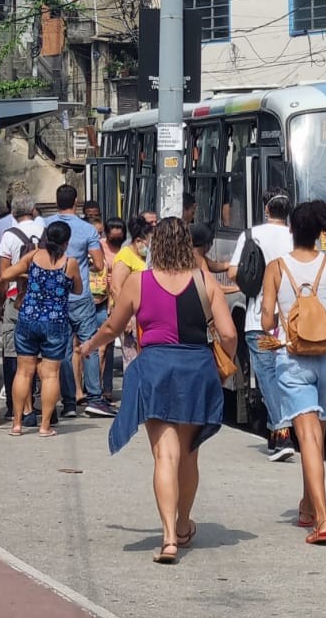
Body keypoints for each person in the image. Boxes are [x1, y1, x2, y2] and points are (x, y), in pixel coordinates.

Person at [82, 216, 235, 564]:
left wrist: (88, 346)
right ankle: (183, 526)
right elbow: (227, 334)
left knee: (165, 457)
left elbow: (112, 326)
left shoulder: (139, 282)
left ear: (156, 244)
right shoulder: (205, 282)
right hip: (196, 371)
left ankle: (167, 539)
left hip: (154, 371)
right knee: (189, 454)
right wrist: (228, 360)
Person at [260, 200, 326, 546]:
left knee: (308, 441)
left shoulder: (276, 268)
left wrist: (285, 320)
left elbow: (267, 321)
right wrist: (324, 317)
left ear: (291, 231)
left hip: (293, 359)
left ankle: (323, 519)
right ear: (318, 233)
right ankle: (306, 506)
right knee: (317, 439)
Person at [227, 189, 297, 462]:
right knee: (287, 377)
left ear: (265, 209)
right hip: (291, 320)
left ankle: (282, 433)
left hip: (258, 318)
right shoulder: (296, 235)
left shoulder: (250, 235)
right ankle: (276, 434)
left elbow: (234, 272)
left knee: (267, 377)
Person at [0, 219, 81, 437]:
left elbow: (5, 275)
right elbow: (79, 289)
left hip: (27, 319)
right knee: (50, 375)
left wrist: (29, 275)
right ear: (67, 241)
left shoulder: (33, 256)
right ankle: (45, 426)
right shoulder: (69, 262)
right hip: (54, 323)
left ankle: (16, 424)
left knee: (23, 372)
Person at [50, 184, 113, 419]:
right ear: (75, 202)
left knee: (64, 350)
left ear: (57, 201)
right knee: (90, 345)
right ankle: (95, 398)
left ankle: (68, 402)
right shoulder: (87, 229)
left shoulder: (47, 226)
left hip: (56, 296)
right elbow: (99, 264)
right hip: (81, 295)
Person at [0, 193, 46, 424]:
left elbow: (4, 275)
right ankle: (46, 408)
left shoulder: (9, 236)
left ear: (13, 212)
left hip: (17, 298)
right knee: (41, 357)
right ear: (34, 210)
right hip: (44, 301)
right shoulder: (45, 233)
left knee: (13, 356)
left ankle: (16, 408)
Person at [111, 215, 154, 368]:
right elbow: (116, 288)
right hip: (130, 316)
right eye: (148, 243)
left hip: (144, 315)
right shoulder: (125, 256)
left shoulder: (146, 258)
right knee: (132, 361)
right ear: (138, 241)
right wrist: (126, 317)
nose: (150, 247)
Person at [99, 217, 127, 402]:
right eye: (113, 236)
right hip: (102, 299)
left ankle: (108, 388)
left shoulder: (127, 250)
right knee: (104, 347)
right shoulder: (99, 246)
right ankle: (100, 387)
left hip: (124, 299)